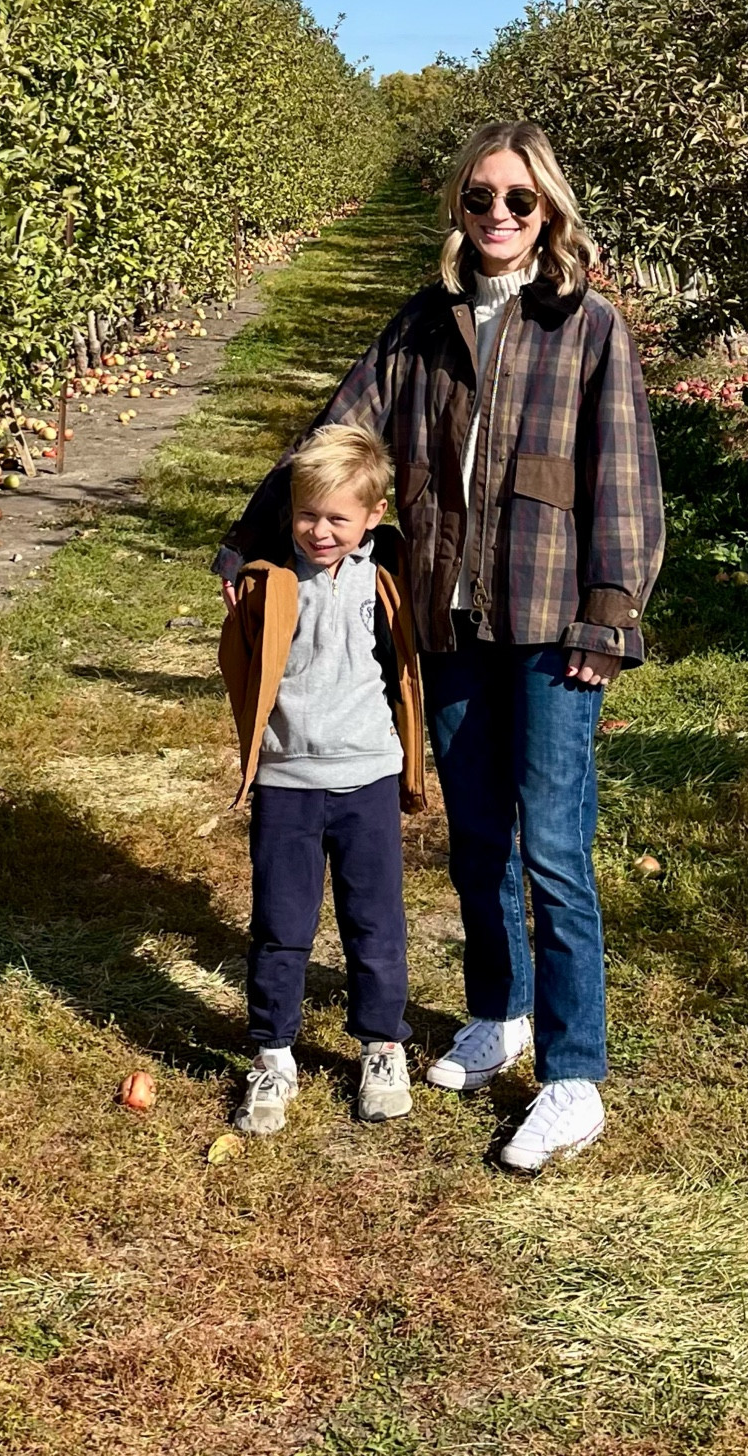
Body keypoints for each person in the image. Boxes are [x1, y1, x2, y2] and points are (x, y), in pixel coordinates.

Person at [217, 120, 665, 1171]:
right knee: (473, 839)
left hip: (555, 620)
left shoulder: (589, 326)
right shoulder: (425, 323)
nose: (499, 216)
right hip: (450, 615)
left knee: (552, 845)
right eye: (480, 199)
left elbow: (629, 478)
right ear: (458, 209)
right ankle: (498, 1008)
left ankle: (572, 1072)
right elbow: (334, 432)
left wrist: (611, 610)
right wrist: (251, 531)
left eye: (518, 200)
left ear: (547, 209)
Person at [218, 422, 426, 1136]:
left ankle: (381, 1044)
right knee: (281, 925)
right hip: (287, 781)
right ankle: (273, 1054)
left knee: (375, 924)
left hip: (367, 775)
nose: (321, 530)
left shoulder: (388, 577)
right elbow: (241, 666)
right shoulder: (269, 584)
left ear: (373, 516)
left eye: (339, 517)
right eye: (308, 514)